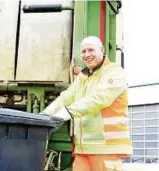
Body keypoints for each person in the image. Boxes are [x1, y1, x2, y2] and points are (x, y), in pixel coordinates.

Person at [41, 36, 132, 171]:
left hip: (107, 148)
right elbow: (66, 97)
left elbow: (99, 99)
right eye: (83, 51)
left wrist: (64, 114)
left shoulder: (114, 72)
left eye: (91, 50)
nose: (86, 55)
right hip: (83, 149)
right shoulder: (83, 77)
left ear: (102, 50)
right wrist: (44, 115)